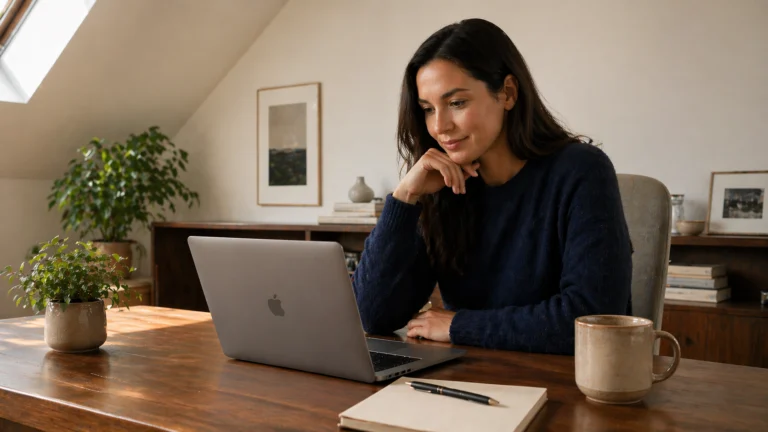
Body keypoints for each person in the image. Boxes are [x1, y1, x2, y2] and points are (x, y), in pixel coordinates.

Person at [352, 18, 632, 355]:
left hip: (564, 386)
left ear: (508, 93)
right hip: (464, 382)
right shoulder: (443, 189)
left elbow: (591, 321)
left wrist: (458, 325)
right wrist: (405, 197)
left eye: (457, 103)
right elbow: (373, 315)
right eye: (428, 109)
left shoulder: (581, 170)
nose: (439, 126)